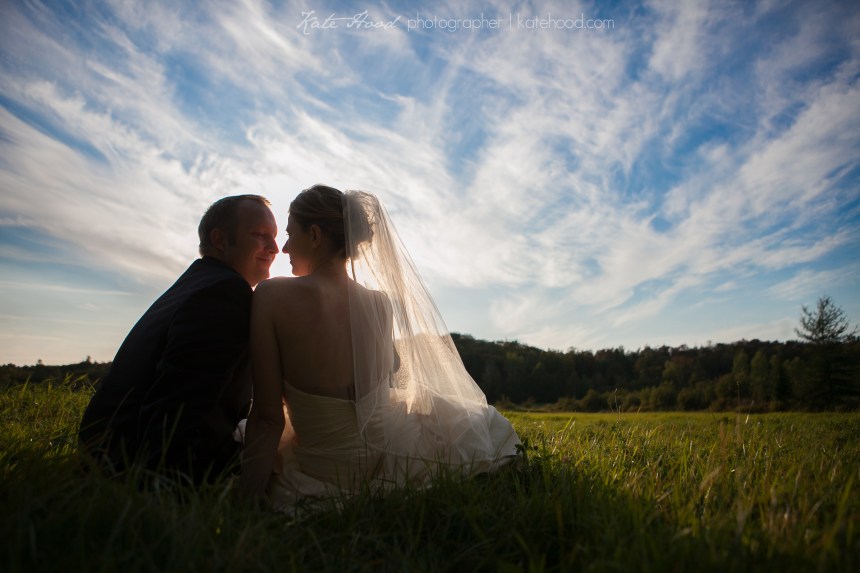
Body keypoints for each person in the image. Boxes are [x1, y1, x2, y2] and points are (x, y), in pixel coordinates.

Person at [238, 185, 520, 507]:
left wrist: (246, 499)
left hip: (326, 473)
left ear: (315, 235)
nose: (284, 248)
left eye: (290, 234)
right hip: (392, 457)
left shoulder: (271, 296)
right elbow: (390, 371)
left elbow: (268, 418)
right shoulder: (379, 304)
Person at [78, 194, 279, 483]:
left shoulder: (199, 282)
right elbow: (182, 406)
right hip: (133, 464)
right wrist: (168, 488)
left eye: (274, 237)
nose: (274, 248)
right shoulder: (225, 293)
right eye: (260, 235)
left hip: (106, 450)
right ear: (220, 240)